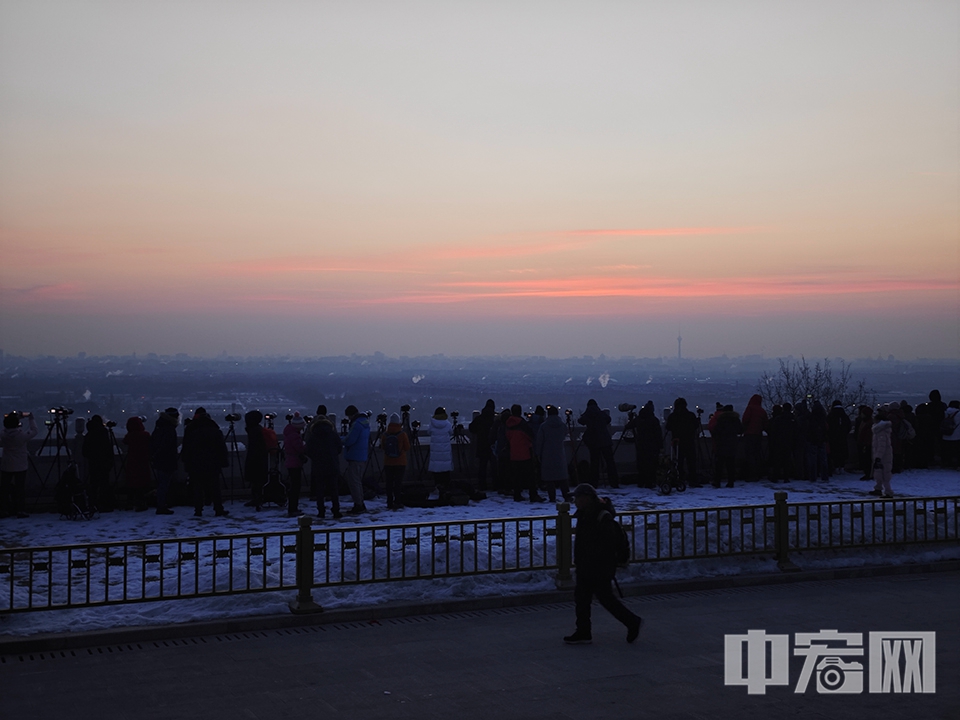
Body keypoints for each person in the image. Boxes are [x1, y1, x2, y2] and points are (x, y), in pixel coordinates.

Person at [563, 483, 642, 645]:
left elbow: (608, 543)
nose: (575, 502)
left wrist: (600, 563)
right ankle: (583, 631)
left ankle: (632, 621)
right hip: (586, 565)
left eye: (577, 498)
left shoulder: (601, 516)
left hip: (599, 567)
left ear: (586, 498)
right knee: (582, 598)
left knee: (606, 599)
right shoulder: (585, 514)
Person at [180, 407, 229, 517]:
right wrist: (224, 462)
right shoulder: (215, 431)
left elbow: (186, 448)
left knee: (197, 488)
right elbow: (221, 448)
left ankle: (198, 510)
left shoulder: (192, 431)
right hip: (213, 463)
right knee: (215, 487)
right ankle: (218, 508)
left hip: (196, 464)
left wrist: (186, 462)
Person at [305, 413, 342, 519]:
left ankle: (321, 511)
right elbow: (339, 448)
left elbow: (308, 450)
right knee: (334, 490)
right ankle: (336, 510)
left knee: (320, 490)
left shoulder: (313, 435)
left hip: (318, 466)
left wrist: (316, 458)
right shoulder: (333, 434)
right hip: (332, 464)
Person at [1, 410, 38, 518]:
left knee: (4, 489)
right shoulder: (22, 435)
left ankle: (4, 509)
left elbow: (6, 430)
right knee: (20, 489)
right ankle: (20, 510)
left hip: (6, 464)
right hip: (20, 464)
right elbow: (34, 430)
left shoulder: (3, 434)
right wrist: (31, 419)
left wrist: (13, 420)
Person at [506, 404, 543, 502]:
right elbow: (530, 435)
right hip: (525, 452)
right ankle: (533, 495)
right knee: (531, 476)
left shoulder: (508, 423)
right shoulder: (522, 424)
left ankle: (517, 495)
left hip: (513, 453)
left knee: (516, 476)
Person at [578, 399, 619, 488]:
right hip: (605, 440)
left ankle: (594, 483)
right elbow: (608, 419)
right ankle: (614, 482)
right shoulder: (601, 414)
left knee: (594, 463)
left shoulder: (587, 414)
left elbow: (580, 421)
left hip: (594, 442)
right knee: (610, 462)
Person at [534, 405, 571, 503]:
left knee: (549, 478)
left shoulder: (544, 426)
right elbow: (565, 434)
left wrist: (538, 454)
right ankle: (566, 495)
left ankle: (552, 497)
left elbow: (539, 441)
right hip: (559, 452)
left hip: (547, 453)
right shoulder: (562, 425)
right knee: (562, 477)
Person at [624, 401, 662, 489]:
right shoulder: (654, 420)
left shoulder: (639, 419)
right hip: (652, 446)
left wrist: (631, 419)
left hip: (640, 444)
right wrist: (660, 446)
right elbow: (658, 434)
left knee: (641, 463)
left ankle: (641, 481)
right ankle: (650, 482)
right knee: (651, 464)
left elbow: (628, 426)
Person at [665, 398, 700, 487]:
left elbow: (668, 427)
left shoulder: (672, 416)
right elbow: (696, 426)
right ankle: (693, 480)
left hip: (677, 442)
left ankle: (679, 478)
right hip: (689, 441)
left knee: (678, 462)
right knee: (691, 462)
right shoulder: (690, 415)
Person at [150, 407, 179, 515]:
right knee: (164, 484)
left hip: (160, 460)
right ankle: (161, 506)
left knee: (162, 484)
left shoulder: (159, 426)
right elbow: (167, 445)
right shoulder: (169, 428)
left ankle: (161, 505)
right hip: (166, 460)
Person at [83, 414, 114, 512]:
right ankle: (105, 504)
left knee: (94, 484)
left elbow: (85, 451)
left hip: (93, 463)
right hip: (104, 463)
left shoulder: (89, 434)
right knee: (104, 484)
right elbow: (108, 448)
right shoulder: (103, 433)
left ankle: (93, 504)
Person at [342, 405, 370, 514]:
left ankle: (358, 504)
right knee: (358, 481)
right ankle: (360, 503)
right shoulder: (365, 423)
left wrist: (340, 440)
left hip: (354, 456)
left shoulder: (356, 425)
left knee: (354, 482)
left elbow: (350, 440)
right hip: (362, 456)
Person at [380, 412, 410, 509]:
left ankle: (389, 501)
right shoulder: (402, 434)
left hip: (388, 462)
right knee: (398, 482)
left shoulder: (385, 434)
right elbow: (407, 447)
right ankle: (397, 501)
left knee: (389, 482)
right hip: (400, 462)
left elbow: (383, 447)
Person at [122, 416, 152, 512]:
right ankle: (141, 502)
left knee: (132, 482)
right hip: (143, 460)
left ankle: (130, 502)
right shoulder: (145, 435)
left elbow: (125, 441)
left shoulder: (129, 436)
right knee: (142, 481)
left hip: (132, 461)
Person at [709, 405, 742, 488]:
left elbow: (716, 430)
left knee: (719, 464)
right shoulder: (735, 419)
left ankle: (717, 481)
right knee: (730, 464)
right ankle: (731, 482)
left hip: (721, 443)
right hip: (732, 443)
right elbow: (740, 430)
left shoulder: (721, 419)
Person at [468, 399, 497, 491]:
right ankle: (495, 485)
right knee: (494, 467)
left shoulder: (479, 418)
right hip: (493, 446)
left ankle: (482, 485)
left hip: (482, 445)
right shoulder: (494, 420)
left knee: (482, 466)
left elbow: (472, 428)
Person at [283, 413, 307, 517]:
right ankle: (293, 508)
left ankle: (292, 508)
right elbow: (300, 449)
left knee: (294, 486)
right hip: (295, 463)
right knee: (295, 487)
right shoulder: (295, 436)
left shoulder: (289, 433)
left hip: (290, 462)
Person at [427, 407, 454, 498]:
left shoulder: (432, 424)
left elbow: (428, 432)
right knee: (445, 470)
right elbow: (451, 432)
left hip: (435, 451)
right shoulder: (448, 424)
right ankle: (446, 487)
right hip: (445, 451)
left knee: (437, 470)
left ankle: (438, 487)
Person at [244, 410, 268, 510]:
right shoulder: (258, 430)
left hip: (255, 458)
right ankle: (258, 498)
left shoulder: (253, 431)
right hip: (260, 458)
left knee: (256, 480)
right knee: (258, 480)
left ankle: (257, 498)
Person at [740, 395, 767, 481]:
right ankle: (757, 473)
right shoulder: (762, 411)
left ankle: (750, 474)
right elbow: (765, 423)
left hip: (749, 434)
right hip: (758, 435)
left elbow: (745, 420)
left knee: (749, 454)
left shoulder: (750, 408)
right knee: (756, 454)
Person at [767, 404, 796, 482]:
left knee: (777, 460)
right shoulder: (792, 418)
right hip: (789, 441)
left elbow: (773, 431)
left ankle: (775, 477)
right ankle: (786, 477)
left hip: (778, 442)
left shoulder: (778, 419)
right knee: (787, 460)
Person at [869, 407, 894, 498]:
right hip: (882, 456)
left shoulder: (881, 432)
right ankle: (879, 488)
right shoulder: (882, 431)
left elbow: (882, 446)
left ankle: (888, 491)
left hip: (882, 456)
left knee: (884, 474)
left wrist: (878, 457)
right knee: (880, 473)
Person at [827, 401, 852, 475]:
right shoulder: (845, 416)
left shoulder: (831, 415)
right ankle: (842, 467)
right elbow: (849, 426)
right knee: (842, 452)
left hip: (833, 438)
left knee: (835, 452)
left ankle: (836, 467)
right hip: (843, 438)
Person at [942, 400, 960, 469]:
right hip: (957, 435)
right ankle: (956, 464)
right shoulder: (959, 413)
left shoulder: (945, 413)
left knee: (947, 451)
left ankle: (947, 463)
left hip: (945, 435)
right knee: (956, 451)